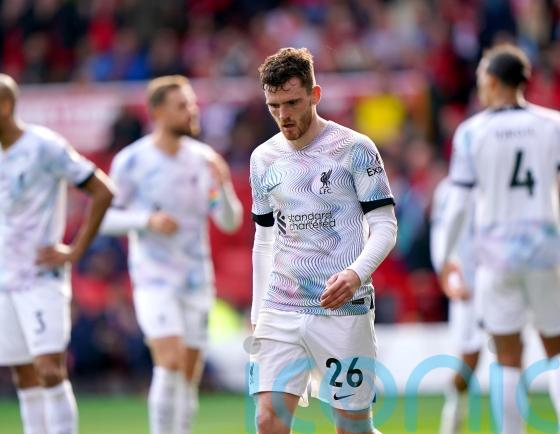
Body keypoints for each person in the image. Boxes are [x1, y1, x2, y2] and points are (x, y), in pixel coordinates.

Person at [249, 47, 397, 434]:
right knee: (268, 421)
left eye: (292, 103)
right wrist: (258, 312)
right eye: (274, 106)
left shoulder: (355, 149)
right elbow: (264, 238)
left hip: (343, 307)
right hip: (281, 305)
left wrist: (356, 274)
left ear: (315, 95)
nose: (283, 115)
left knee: (351, 428)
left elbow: (385, 225)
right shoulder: (262, 159)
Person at [0, 73, 114, 434]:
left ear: (5, 106)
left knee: (49, 369)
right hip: (2, 276)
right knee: (23, 374)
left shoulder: (44, 146)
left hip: (40, 274)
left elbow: (102, 190)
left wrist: (75, 250)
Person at [99, 75, 243, 434]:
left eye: (192, 104)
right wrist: (146, 220)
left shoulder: (203, 160)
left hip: (196, 280)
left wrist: (224, 186)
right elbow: (104, 218)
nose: (192, 111)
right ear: (158, 113)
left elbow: (228, 221)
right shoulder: (132, 161)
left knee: (189, 374)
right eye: (182, 106)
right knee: (170, 360)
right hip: (154, 279)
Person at [440, 44, 560, 434]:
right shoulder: (552, 125)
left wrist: (446, 259)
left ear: (491, 81)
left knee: (507, 355)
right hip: (546, 250)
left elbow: (457, 205)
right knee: (556, 351)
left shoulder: (472, 132)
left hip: (496, 255)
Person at [430, 177, 483, 434]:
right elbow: (441, 234)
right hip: (468, 282)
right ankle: (452, 414)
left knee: (512, 352)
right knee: (469, 360)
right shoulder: (448, 189)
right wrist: (449, 276)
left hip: (502, 276)